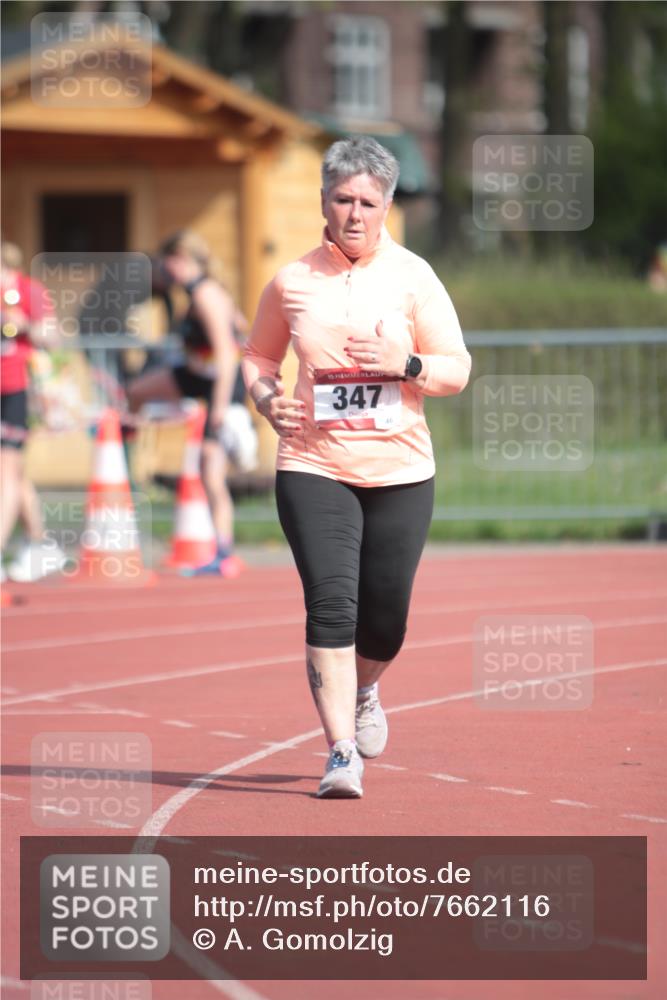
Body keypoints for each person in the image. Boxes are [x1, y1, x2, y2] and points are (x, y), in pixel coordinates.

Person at [242, 136, 472, 798]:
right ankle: (341, 751)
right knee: (330, 604)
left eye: (367, 203)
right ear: (323, 201)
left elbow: (456, 368)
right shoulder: (291, 281)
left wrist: (406, 365)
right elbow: (258, 357)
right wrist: (265, 399)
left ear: (387, 206)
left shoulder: (414, 277)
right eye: (343, 199)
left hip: (400, 470)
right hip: (312, 463)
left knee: (385, 620)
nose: (354, 213)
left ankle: (366, 690)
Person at [127, 231, 245, 575]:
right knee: (137, 391)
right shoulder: (194, 293)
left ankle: (223, 552)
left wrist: (220, 407)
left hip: (219, 385)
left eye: (167, 264)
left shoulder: (207, 294)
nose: (165, 271)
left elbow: (227, 352)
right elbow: (240, 325)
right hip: (195, 375)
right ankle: (130, 433)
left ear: (181, 260)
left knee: (211, 472)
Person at [1, 240, 66, 583]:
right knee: (13, 474)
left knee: (6, 470)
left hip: (17, 387)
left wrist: (25, 324)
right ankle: (41, 544)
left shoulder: (29, 291)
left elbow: (52, 337)